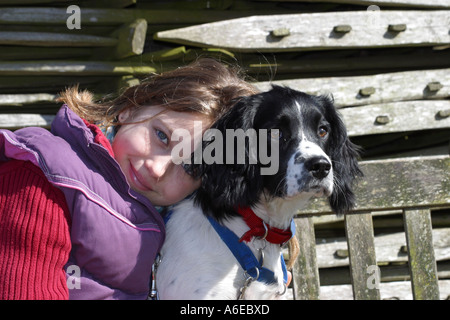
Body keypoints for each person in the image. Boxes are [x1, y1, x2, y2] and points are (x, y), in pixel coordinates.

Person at [0, 58, 258, 300]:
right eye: (162, 136)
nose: (157, 169)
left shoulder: (178, 222)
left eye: (190, 168)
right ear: (130, 108)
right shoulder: (46, 177)